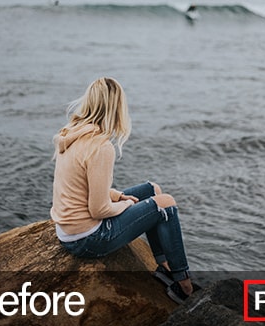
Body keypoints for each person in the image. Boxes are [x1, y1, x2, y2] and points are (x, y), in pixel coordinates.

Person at [50, 77, 195, 303]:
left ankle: (165, 266)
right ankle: (183, 283)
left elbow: (79, 185)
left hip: (67, 232)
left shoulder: (70, 134)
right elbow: (98, 210)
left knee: (152, 190)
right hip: (87, 239)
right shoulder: (100, 146)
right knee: (165, 204)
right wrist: (126, 204)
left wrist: (117, 196)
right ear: (116, 107)